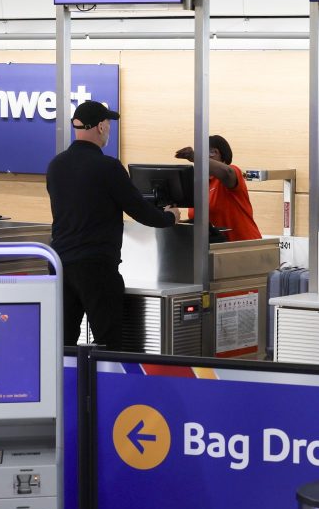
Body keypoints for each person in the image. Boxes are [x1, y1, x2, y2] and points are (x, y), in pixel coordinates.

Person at [47, 100, 180, 350]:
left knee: (62, 342)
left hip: (60, 263)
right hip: (95, 266)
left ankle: (65, 388)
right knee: (109, 343)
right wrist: (170, 217)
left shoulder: (56, 165)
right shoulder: (107, 167)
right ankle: (106, 389)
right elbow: (139, 210)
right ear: (100, 127)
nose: (109, 129)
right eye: (108, 123)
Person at [173, 134, 261, 241]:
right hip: (216, 249)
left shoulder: (232, 171)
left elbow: (226, 172)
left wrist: (194, 157)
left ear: (214, 153)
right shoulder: (199, 184)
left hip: (244, 247)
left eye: (201, 153)